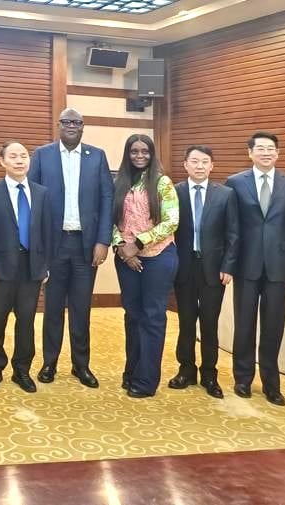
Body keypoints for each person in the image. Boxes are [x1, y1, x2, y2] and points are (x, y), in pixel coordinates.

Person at [28, 108, 113, 388]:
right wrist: (38, 246)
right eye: (66, 121)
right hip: (54, 245)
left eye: (77, 122)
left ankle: (81, 365)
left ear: (83, 127)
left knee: (81, 308)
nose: (72, 126)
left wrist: (103, 241)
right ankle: (49, 363)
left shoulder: (97, 156)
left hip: (85, 246)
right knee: (52, 307)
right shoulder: (42, 155)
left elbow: (107, 199)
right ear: (59, 125)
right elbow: (33, 200)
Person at [225, 132, 285, 406]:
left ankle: (272, 384)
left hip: (278, 265)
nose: (266, 153)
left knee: (273, 326)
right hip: (246, 264)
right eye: (260, 148)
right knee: (244, 324)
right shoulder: (235, 182)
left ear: (278, 153)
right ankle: (243, 379)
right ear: (250, 153)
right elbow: (232, 224)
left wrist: (274, 242)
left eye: (271, 148)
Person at [110, 134, 179, 398]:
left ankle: (147, 380)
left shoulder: (162, 183)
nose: (140, 156)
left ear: (152, 154)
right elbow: (110, 219)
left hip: (158, 257)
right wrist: (122, 247)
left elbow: (171, 221)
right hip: (126, 259)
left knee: (152, 317)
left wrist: (138, 244)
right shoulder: (120, 182)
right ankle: (132, 372)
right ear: (127, 154)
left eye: (145, 151)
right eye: (134, 151)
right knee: (133, 316)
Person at [0, 141, 49, 394]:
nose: (19, 160)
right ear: (2, 161)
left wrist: (45, 265)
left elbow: (47, 232)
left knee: (27, 320)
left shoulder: (41, 192)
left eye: (23, 156)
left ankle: (22, 370)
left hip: (31, 267)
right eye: (13, 156)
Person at [168, 145, 238, 399]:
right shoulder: (174, 192)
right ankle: (186, 370)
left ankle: (209, 373)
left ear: (212, 165)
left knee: (209, 323)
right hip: (184, 267)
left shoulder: (226, 195)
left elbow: (233, 234)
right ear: (185, 165)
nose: (199, 166)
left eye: (205, 161)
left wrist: (228, 266)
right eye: (195, 161)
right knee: (186, 322)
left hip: (214, 270)